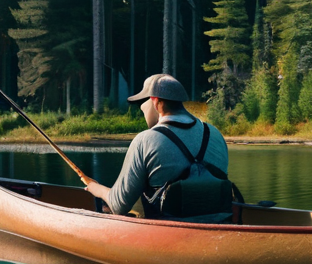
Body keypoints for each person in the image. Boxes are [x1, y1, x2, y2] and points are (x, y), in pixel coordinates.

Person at [85, 74, 229, 217]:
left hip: (170, 234)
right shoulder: (215, 134)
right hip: (218, 227)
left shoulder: (145, 140)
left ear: (155, 102)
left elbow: (118, 205)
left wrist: (96, 188)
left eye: (143, 101)